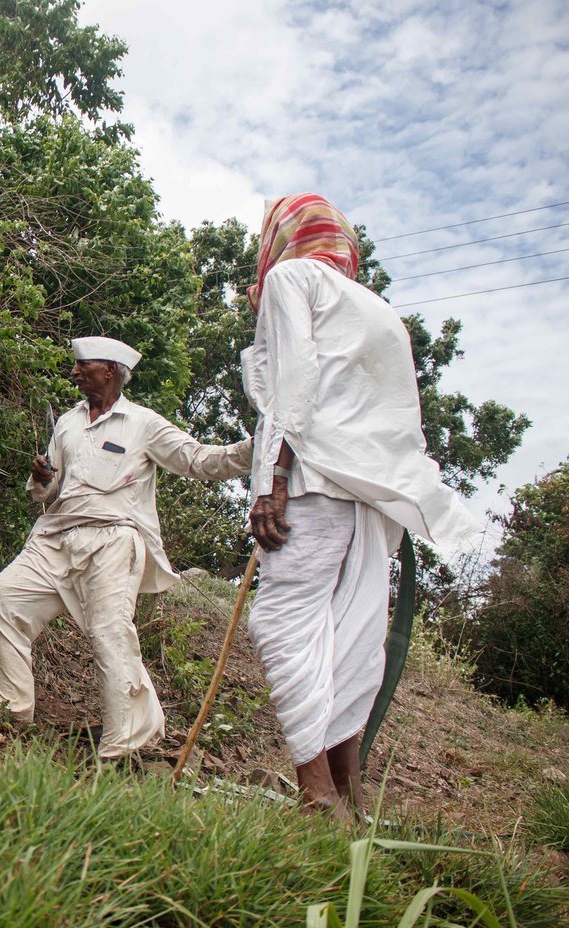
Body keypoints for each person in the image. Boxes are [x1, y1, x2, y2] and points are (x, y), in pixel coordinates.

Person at [240, 193, 481, 818]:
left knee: (284, 624)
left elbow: (295, 380)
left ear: (279, 241)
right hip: (376, 499)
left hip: (314, 480)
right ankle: (349, 796)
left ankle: (317, 795)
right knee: (352, 634)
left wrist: (274, 480)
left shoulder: (293, 279)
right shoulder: (379, 309)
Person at [0, 336, 253, 759]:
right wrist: (42, 478)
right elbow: (44, 494)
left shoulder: (143, 423)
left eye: (82, 367)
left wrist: (259, 447)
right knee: (1, 598)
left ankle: (123, 747)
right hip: (56, 537)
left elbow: (198, 460)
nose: (73, 373)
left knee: (110, 635)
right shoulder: (67, 423)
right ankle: (10, 715)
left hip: (113, 541)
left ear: (109, 370)